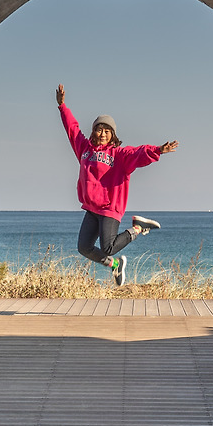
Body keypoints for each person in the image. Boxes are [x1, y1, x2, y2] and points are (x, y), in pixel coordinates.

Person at [55, 83, 178, 285]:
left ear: (112, 134)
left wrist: (157, 150)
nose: (102, 133)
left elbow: (137, 153)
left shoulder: (119, 155)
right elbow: (72, 129)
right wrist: (62, 106)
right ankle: (115, 265)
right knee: (84, 247)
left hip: (110, 208)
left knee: (108, 248)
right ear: (93, 132)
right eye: (99, 129)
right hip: (92, 209)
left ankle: (138, 228)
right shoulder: (84, 149)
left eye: (107, 130)